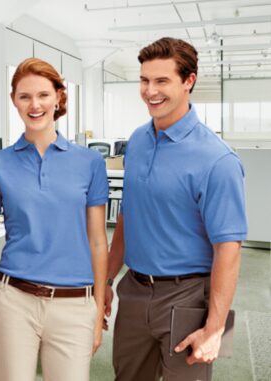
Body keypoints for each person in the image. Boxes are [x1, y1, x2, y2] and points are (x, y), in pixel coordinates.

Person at [0, 57, 108, 381]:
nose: (34, 104)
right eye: (24, 96)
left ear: (58, 98)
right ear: (14, 101)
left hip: (74, 305)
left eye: (43, 95)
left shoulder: (91, 163)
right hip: (12, 302)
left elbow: (98, 241)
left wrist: (96, 314)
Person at [105, 37, 247, 381]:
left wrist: (215, 329)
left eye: (161, 81)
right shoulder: (137, 141)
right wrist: (107, 279)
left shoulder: (218, 160)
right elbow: (128, 217)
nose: (150, 91)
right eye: (144, 80)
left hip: (189, 297)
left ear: (189, 81)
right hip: (134, 290)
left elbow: (228, 249)